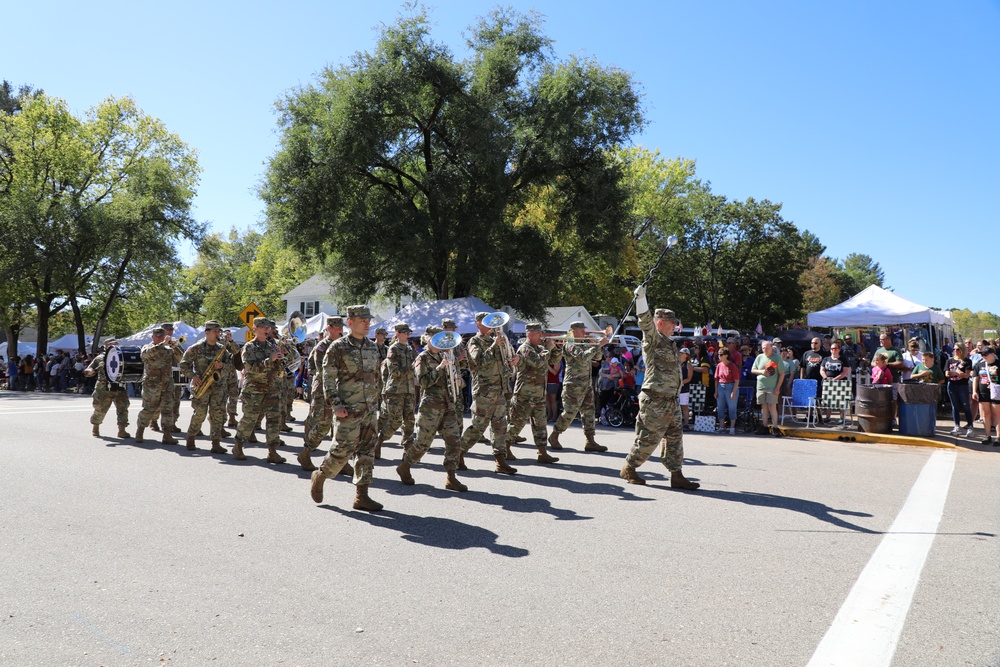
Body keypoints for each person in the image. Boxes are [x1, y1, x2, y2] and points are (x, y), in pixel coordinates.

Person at [619, 286, 699, 489]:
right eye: (672, 323)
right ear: (661, 323)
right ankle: (629, 466)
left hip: (670, 400)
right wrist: (641, 299)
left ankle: (676, 474)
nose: (675, 326)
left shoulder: (670, 343)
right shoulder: (652, 339)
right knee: (649, 438)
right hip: (655, 399)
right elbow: (645, 322)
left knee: (674, 439)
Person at [309, 305, 385, 511]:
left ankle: (362, 496)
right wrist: (336, 404)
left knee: (367, 453)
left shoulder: (372, 347)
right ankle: (321, 474)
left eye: (368, 320)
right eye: (363, 320)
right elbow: (328, 378)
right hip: (348, 409)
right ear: (350, 322)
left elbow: (377, 377)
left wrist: (378, 403)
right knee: (341, 451)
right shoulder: (338, 348)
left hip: (369, 409)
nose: (367, 323)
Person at [395, 328, 469, 492]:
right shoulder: (423, 357)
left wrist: (459, 382)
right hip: (431, 406)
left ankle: (451, 477)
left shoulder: (446, 355)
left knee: (454, 441)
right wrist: (440, 368)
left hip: (448, 404)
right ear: (428, 339)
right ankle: (405, 466)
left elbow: (456, 378)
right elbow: (423, 382)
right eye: (435, 338)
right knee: (422, 444)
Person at [460, 312, 521, 474]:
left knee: (500, 426)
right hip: (484, 391)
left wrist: (514, 361)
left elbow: (504, 365)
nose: (490, 325)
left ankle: (500, 461)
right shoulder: (475, 341)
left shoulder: (499, 340)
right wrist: (494, 345)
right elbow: (479, 361)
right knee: (478, 427)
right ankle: (457, 454)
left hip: (500, 389)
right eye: (486, 322)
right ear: (478, 324)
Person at [298, 317, 352, 478]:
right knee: (322, 424)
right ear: (329, 328)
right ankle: (306, 453)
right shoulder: (322, 347)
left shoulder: (343, 345)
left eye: (341, 327)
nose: (340, 329)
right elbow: (324, 372)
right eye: (336, 327)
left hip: (341, 390)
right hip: (324, 390)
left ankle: (341, 462)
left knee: (341, 428)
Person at [505, 323, 563, 464]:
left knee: (540, 425)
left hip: (538, 394)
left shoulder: (540, 348)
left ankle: (542, 453)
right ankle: (503, 449)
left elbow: (555, 360)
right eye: (539, 334)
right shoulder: (525, 349)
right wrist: (548, 349)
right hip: (524, 394)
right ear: (530, 334)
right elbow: (538, 362)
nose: (541, 336)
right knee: (516, 424)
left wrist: (555, 348)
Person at [548, 322, 609, 453]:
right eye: (581, 330)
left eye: (584, 330)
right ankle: (555, 435)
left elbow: (597, 358)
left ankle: (590, 441)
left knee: (589, 412)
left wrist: (595, 344)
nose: (584, 332)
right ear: (574, 331)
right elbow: (582, 357)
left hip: (586, 384)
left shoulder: (585, 343)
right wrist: (597, 345)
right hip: (573, 385)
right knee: (570, 412)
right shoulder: (570, 344)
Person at [231, 317, 285, 464]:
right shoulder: (249, 347)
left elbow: (278, 368)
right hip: (254, 390)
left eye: (267, 326)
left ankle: (272, 451)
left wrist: (280, 358)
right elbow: (250, 368)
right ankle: (238, 446)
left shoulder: (272, 346)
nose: (266, 329)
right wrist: (270, 360)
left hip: (272, 388)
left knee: (274, 420)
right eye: (262, 326)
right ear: (254, 329)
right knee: (249, 419)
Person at [180, 320, 230, 454]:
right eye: (215, 331)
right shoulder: (195, 348)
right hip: (201, 384)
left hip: (218, 386)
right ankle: (191, 437)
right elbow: (183, 365)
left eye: (218, 331)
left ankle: (216, 443)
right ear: (207, 332)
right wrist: (193, 376)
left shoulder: (222, 348)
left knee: (217, 415)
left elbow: (231, 366)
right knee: (200, 414)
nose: (218, 333)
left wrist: (222, 366)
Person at [376, 322, 418, 458]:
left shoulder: (410, 350)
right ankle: (379, 440)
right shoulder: (393, 350)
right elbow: (395, 372)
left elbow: (417, 366)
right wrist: (412, 368)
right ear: (398, 334)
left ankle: (407, 450)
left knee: (410, 421)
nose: (408, 335)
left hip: (409, 390)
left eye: (409, 333)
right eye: (405, 333)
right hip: (395, 391)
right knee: (395, 421)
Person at [134, 327, 181, 446]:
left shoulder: (168, 349)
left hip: (167, 384)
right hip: (151, 384)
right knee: (148, 408)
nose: (160, 338)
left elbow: (181, 359)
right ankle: (140, 431)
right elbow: (145, 356)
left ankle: (167, 435)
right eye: (158, 336)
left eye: (162, 336)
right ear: (152, 337)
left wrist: (175, 347)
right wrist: (162, 344)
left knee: (167, 409)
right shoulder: (147, 347)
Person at [84, 339, 130, 439]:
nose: (114, 346)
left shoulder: (123, 357)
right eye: (111, 345)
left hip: (120, 386)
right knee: (100, 408)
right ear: (105, 347)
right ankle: (96, 427)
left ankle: (122, 430)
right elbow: (88, 370)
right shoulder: (100, 358)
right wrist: (90, 371)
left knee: (123, 408)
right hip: (104, 387)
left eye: (115, 344)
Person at [751, 340, 784, 434]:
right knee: (763, 406)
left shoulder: (777, 358)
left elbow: (782, 373)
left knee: (772, 406)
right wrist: (761, 372)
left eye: (766, 347)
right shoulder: (759, 357)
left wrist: (778, 387)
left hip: (772, 386)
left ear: (771, 348)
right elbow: (753, 370)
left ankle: (775, 427)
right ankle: (765, 426)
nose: (764, 349)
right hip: (761, 386)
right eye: (763, 348)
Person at [944, 344, 974, 437]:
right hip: (952, 385)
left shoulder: (967, 361)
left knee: (966, 406)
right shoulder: (950, 360)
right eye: (954, 349)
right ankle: (957, 426)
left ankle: (970, 426)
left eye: (958, 349)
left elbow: (966, 375)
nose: (956, 351)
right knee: (955, 406)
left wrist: (958, 374)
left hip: (963, 386)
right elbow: (947, 374)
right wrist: (957, 373)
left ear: (962, 350)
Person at [972, 347, 1000, 446]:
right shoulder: (979, 364)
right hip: (983, 392)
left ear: (992, 354)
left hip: (996, 392)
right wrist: (974, 391)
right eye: (982, 355)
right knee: (985, 414)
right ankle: (987, 435)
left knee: (997, 414)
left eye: (986, 354)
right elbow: (975, 379)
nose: (984, 356)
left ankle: (998, 437)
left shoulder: (998, 363)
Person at [820, 342, 850, 425]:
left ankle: (841, 418)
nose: (833, 350)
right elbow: (822, 370)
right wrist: (826, 377)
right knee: (828, 400)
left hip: (840, 383)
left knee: (841, 401)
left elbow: (845, 371)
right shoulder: (826, 359)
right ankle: (828, 417)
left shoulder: (843, 359)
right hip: (828, 382)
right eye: (832, 349)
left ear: (839, 350)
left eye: (835, 349)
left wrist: (835, 379)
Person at [714, 347, 739, 435]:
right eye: (718, 354)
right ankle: (721, 426)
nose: (719, 356)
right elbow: (716, 379)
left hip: (731, 386)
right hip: (721, 386)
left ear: (726, 355)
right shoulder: (719, 365)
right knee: (720, 407)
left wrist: (734, 392)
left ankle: (732, 428)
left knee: (732, 407)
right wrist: (716, 391)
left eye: (721, 355)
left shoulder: (732, 366)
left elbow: (736, 380)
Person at [678, 347, 694, 429]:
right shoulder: (677, 364)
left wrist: (681, 383)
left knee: (684, 406)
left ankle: (686, 424)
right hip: (676, 388)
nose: (680, 353)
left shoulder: (688, 365)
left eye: (682, 352)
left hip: (684, 389)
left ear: (686, 355)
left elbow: (689, 378)